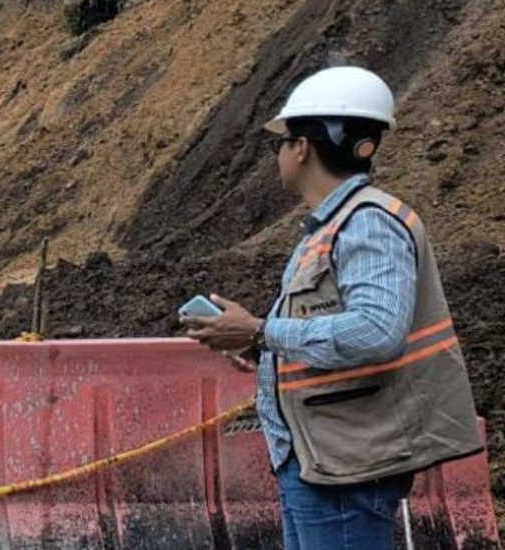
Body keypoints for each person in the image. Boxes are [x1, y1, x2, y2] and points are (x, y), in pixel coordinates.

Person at [180, 67, 481, 550]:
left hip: (346, 465)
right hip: (321, 459)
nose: (278, 154)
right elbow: (331, 327)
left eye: (281, 142)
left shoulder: (367, 224)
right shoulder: (332, 226)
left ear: (302, 147)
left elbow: (377, 332)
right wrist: (264, 353)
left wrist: (261, 332)